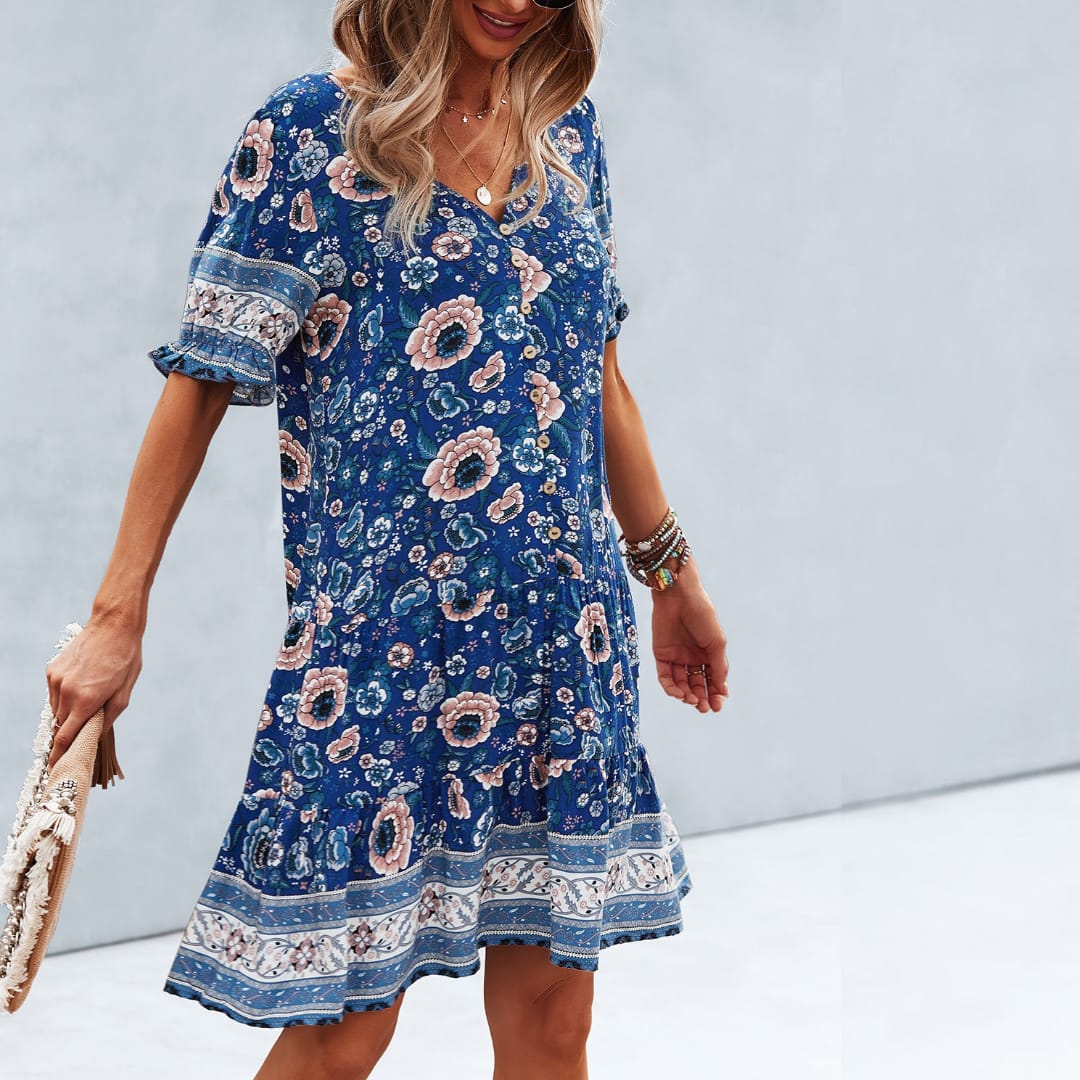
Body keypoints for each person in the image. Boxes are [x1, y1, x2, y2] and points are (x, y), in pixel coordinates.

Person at [44, 1, 730, 1076]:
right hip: (380, 664)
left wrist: (669, 575)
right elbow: (199, 382)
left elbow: (600, 377)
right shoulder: (312, 133)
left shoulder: (567, 132)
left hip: (561, 645)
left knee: (555, 1021)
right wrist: (115, 617)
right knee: (341, 1037)